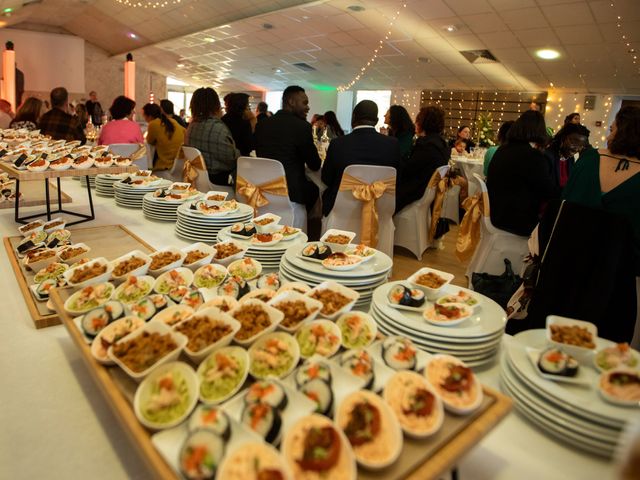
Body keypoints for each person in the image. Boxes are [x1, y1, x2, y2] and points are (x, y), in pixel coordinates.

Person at [564, 105, 640, 279]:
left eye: (612, 129)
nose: (607, 136)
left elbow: (564, 208)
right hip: (622, 275)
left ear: (624, 132)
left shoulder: (588, 160)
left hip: (568, 263)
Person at [321, 100, 401, 216]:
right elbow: (398, 180)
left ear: (353, 118)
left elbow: (326, 179)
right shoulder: (393, 145)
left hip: (341, 211)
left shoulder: (338, 144)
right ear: (376, 121)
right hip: (380, 210)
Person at [487, 110, 558, 236]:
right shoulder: (533, 156)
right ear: (539, 130)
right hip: (514, 221)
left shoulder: (502, 150)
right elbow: (547, 192)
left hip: (494, 212)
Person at [254, 85, 321, 211]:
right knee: (318, 189)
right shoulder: (302, 127)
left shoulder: (262, 124)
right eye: (305, 103)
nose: (308, 107)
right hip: (292, 193)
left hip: (264, 189)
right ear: (291, 102)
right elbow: (315, 165)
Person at [395, 105, 449, 213]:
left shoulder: (426, 145)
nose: (416, 123)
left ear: (423, 123)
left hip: (416, 192)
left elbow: (407, 171)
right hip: (427, 193)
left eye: (418, 120)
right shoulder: (442, 144)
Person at [185, 87, 239, 185]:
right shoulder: (218, 128)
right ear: (216, 105)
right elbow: (232, 160)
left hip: (195, 180)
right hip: (216, 183)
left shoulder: (191, 127)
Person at [544, 123, 590, 189]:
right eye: (574, 142)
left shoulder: (570, 159)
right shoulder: (547, 157)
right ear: (563, 138)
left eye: (581, 145)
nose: (577, 148)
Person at [142, 103, 185, 171]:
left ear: (149, 116)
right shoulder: (173, 121)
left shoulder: (153, 124)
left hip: (165, 166)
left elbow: (149, 142)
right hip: (180, 164)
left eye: (144, 116)